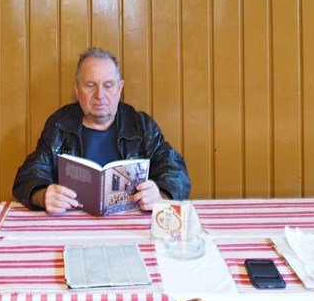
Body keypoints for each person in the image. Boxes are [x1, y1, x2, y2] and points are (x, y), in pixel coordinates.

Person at [12, 47, 191, 214]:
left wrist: (160, 195)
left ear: (119, 88)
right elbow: (29, 176)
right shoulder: (59, 126)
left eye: (108, 85)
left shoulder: (141, 126)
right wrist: (43, 196)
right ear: (76, 88)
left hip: (131, 225)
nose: (99, 95)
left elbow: (176, 172)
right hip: (72, 225)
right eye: (90, 85)